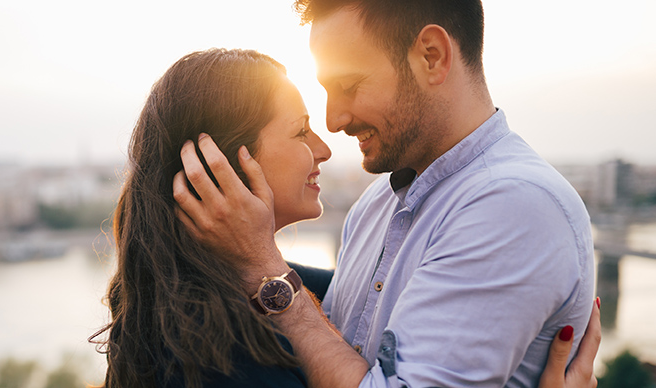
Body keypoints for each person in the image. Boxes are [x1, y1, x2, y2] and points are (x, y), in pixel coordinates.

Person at [172, 1, 599, 387]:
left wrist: (263, 269)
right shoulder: (379, 202)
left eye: (349, 85)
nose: (334, 120)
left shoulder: (514, 205)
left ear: (432, 56)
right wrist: (241, 250)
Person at [92, 48, 330, 388]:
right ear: (220, 162)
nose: (324, 149)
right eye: (301, 131)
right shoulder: (219, 353)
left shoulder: (202, 294)